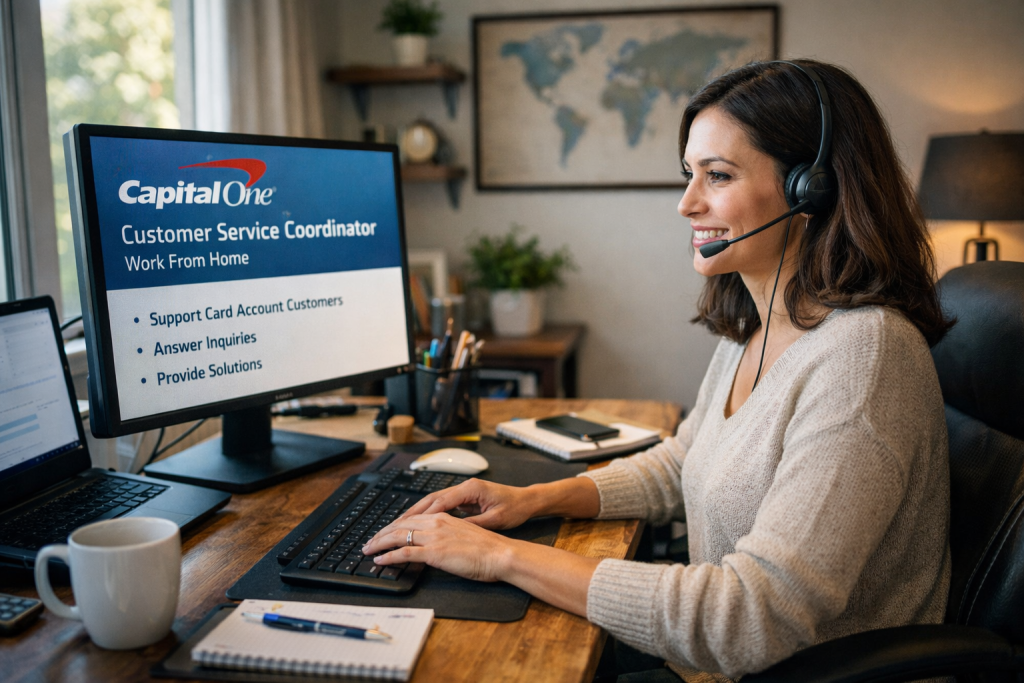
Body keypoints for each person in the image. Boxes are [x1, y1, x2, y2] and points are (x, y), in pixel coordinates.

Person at [363, 59, 954, 681]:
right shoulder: (757, 327)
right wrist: (528, 501)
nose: (686, 203)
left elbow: (751, 618)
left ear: (813, 190)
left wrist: (500, 558)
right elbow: (685, 462)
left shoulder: (865, 358)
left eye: (717, 176)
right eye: (688, 174)